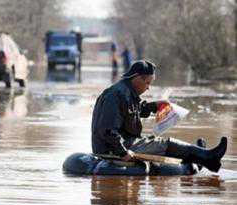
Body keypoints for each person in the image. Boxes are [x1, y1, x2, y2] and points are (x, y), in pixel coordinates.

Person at [91, 60, 227, 172]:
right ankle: (207, 156)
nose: (148, 88)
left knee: (159, 142)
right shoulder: (116, 96)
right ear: (137, 78)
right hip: (113, 148)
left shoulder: (127, 92)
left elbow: (135, 110)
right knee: (164, 143)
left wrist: (154, 106)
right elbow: (107, 130)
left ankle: (203, 156)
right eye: (148, 83)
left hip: (125, 142)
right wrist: (122, 152)